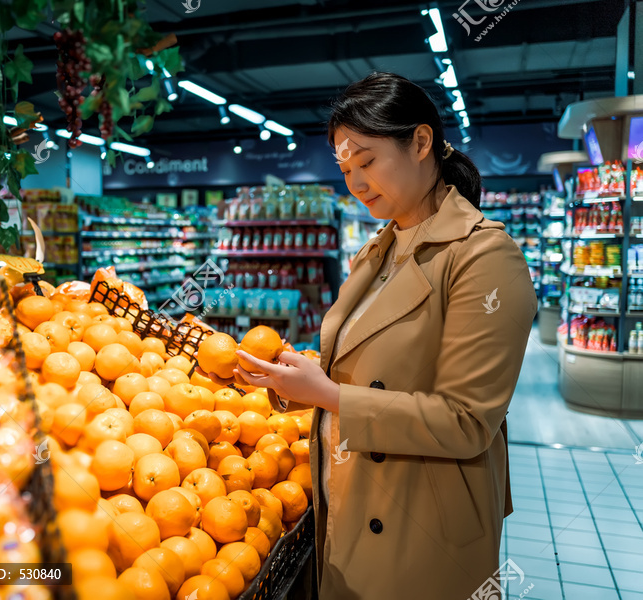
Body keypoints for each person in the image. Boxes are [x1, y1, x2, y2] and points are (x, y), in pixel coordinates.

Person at [229, 73, 537, 598]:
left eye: (367, 161)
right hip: (350, 500)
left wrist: (326, 394)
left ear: (420, 142)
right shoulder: (378, 249)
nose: (356, 182)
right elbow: (365, 370)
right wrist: (293, 378)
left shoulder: (485, 257)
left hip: (423, 523)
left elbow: (466, 422)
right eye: (346, 168)